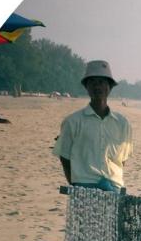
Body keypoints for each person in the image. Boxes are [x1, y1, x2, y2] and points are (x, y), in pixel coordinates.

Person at [53, 60, 132, 192]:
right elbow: (65, 157)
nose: (97, 86)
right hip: (83, 185)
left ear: (109, 87)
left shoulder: (123, 124)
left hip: (114, 186)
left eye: (101, 82)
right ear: (87, 87)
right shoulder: (72, 122)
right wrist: (76, 182)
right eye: (93, 82)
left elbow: (122, 160)